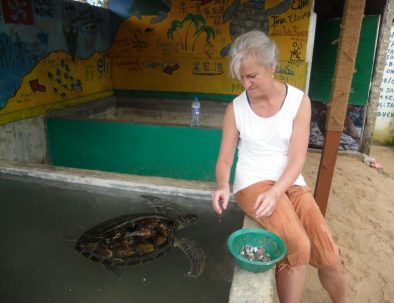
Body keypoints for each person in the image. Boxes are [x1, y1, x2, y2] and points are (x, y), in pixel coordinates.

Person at [211, 30, 346, 303]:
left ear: (271, 67)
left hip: (290, 181)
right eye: (241, 77)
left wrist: (277, 192)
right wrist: (223, 184)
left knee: (330, 257)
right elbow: (225, 159)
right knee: (298, 246)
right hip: (253, 183)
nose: (246, 83)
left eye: (252, 76)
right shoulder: (235, 109)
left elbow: (297, 158)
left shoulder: (299, 101)